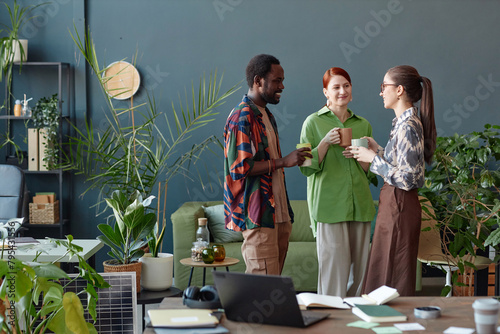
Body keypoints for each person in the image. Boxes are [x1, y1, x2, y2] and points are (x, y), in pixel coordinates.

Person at [223, 54, 311, 275]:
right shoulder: (242, 117)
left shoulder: (266, 115)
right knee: (261, 284)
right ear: (258, 80)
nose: (282, 86)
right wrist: (284, 162)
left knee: (273, 282)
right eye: (276, 80)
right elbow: (239, 168)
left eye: (282, 80)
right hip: (258, 215)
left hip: (278, 214)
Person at [353, 65, 436, 296]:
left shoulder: (408, 126)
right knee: (385, 269)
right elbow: (403, 165)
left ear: (399, 90)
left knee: (392, 274)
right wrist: (378, 149)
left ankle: (391, 326)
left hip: (399, 203)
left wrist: (373, 160)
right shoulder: (403, 123)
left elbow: (409, 178)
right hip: (395, 203)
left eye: (384, 87)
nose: (381, 92)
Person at [299, 67, 376, 297]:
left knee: (361, 276)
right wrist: (324, 143)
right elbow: (304, 167)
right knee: (333, 274)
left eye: (346, 86)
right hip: (328, 208)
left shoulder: (363, 125)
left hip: (361, 206)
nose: (342, 91)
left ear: (351, 91)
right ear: (326, 92)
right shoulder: (311, 122)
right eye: (336, 87)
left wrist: (360, 157)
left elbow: (370, 172)